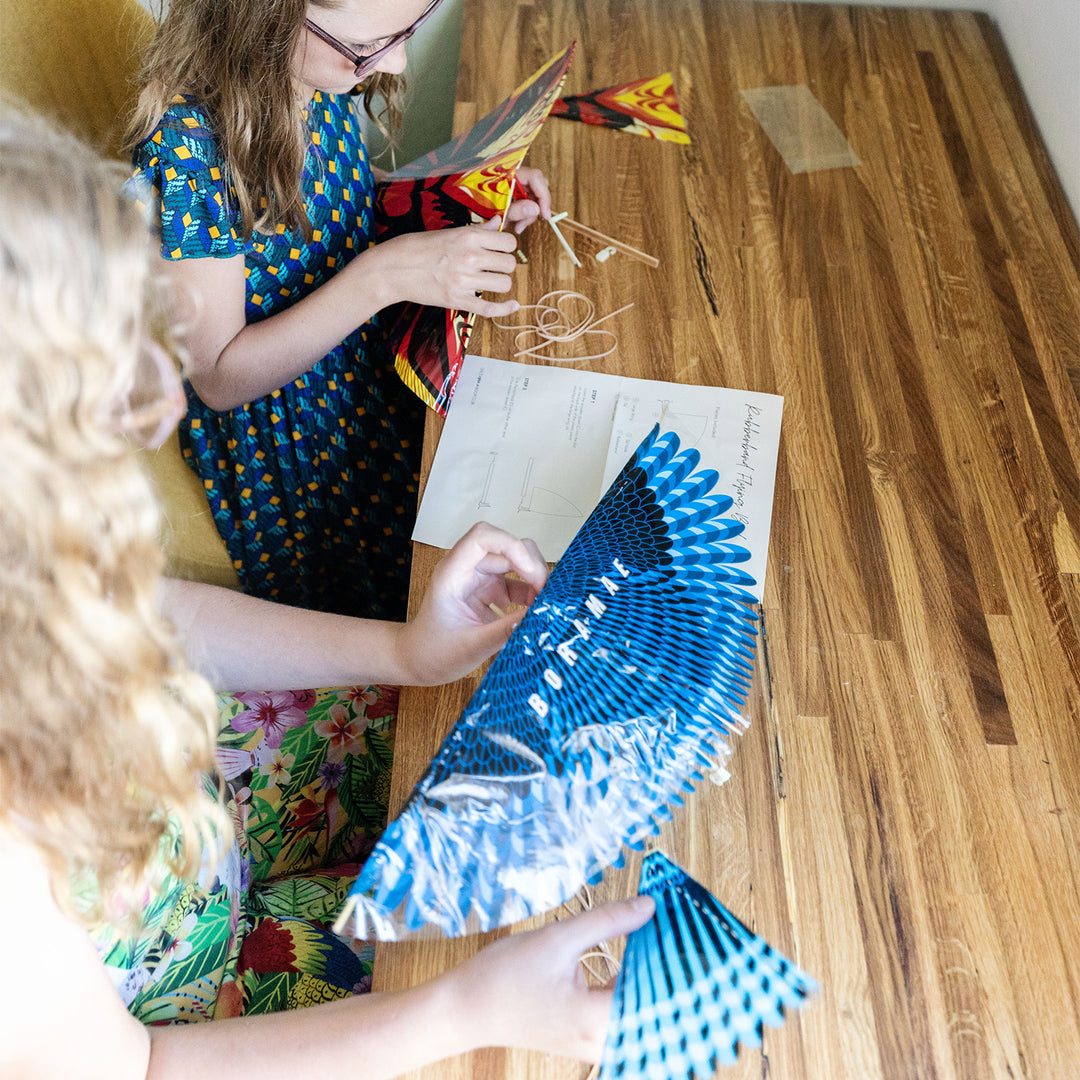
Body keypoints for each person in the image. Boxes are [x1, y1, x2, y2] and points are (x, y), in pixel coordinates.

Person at [0, 108, 652, 1079]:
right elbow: (130, 1069)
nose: (168, 408)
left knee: (524, 747)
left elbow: (154, 617)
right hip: (190, 1023)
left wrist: (403, 652)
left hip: (204, 815)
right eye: (104, 390)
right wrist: (460, 1011)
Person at [125, 0, 552, 620]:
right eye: (371, 45)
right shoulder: (192, 150)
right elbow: (218, 377)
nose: (397, 60)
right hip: (298, 455)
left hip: (368, 372)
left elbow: (333, 202)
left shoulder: (309, 74)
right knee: (464, 584)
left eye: (407, 32)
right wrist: (384, 276)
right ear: (267, 19)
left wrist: (451, 198)